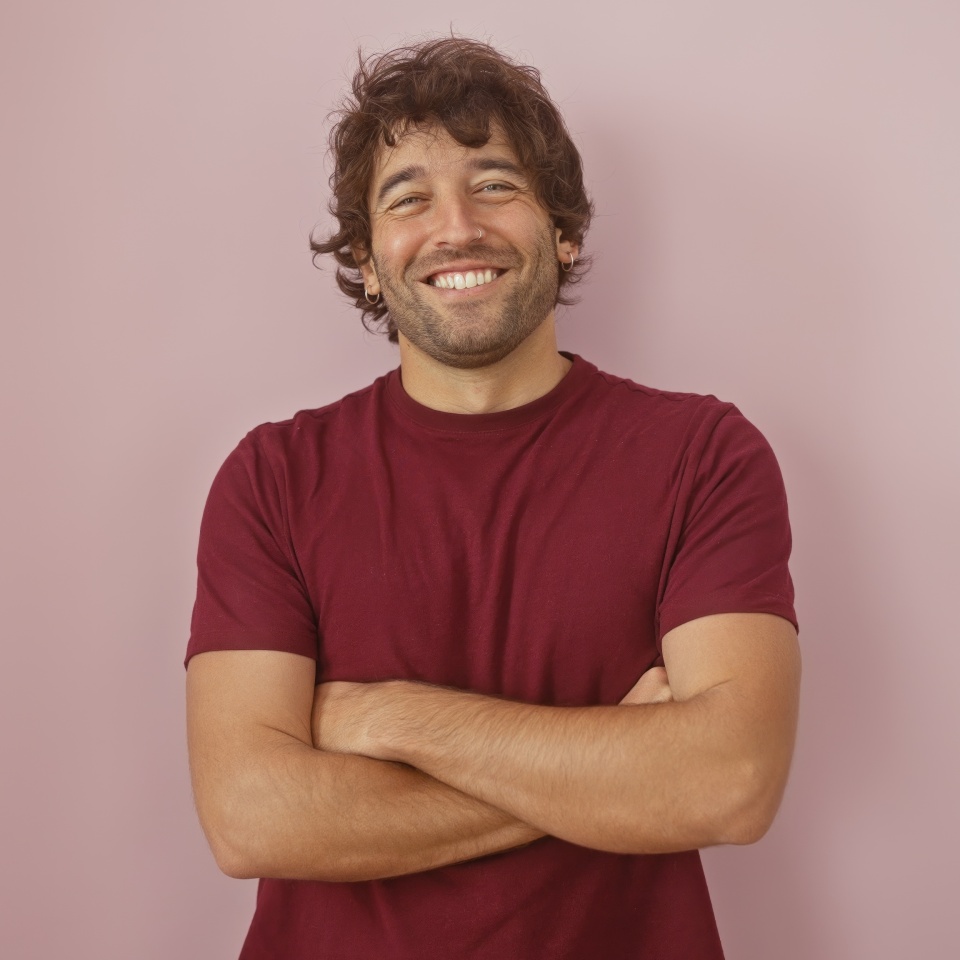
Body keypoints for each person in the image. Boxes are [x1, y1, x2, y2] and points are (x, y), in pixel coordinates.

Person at [185, 36, 800, 960]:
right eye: (408, 198)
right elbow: (249, 818)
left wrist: (387, 717)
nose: (457, 227)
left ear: (564, 231)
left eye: (496, 184)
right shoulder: (271, 478)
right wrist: (615, 764)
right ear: (367, 256)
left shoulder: (703, 456)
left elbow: (730, 782)